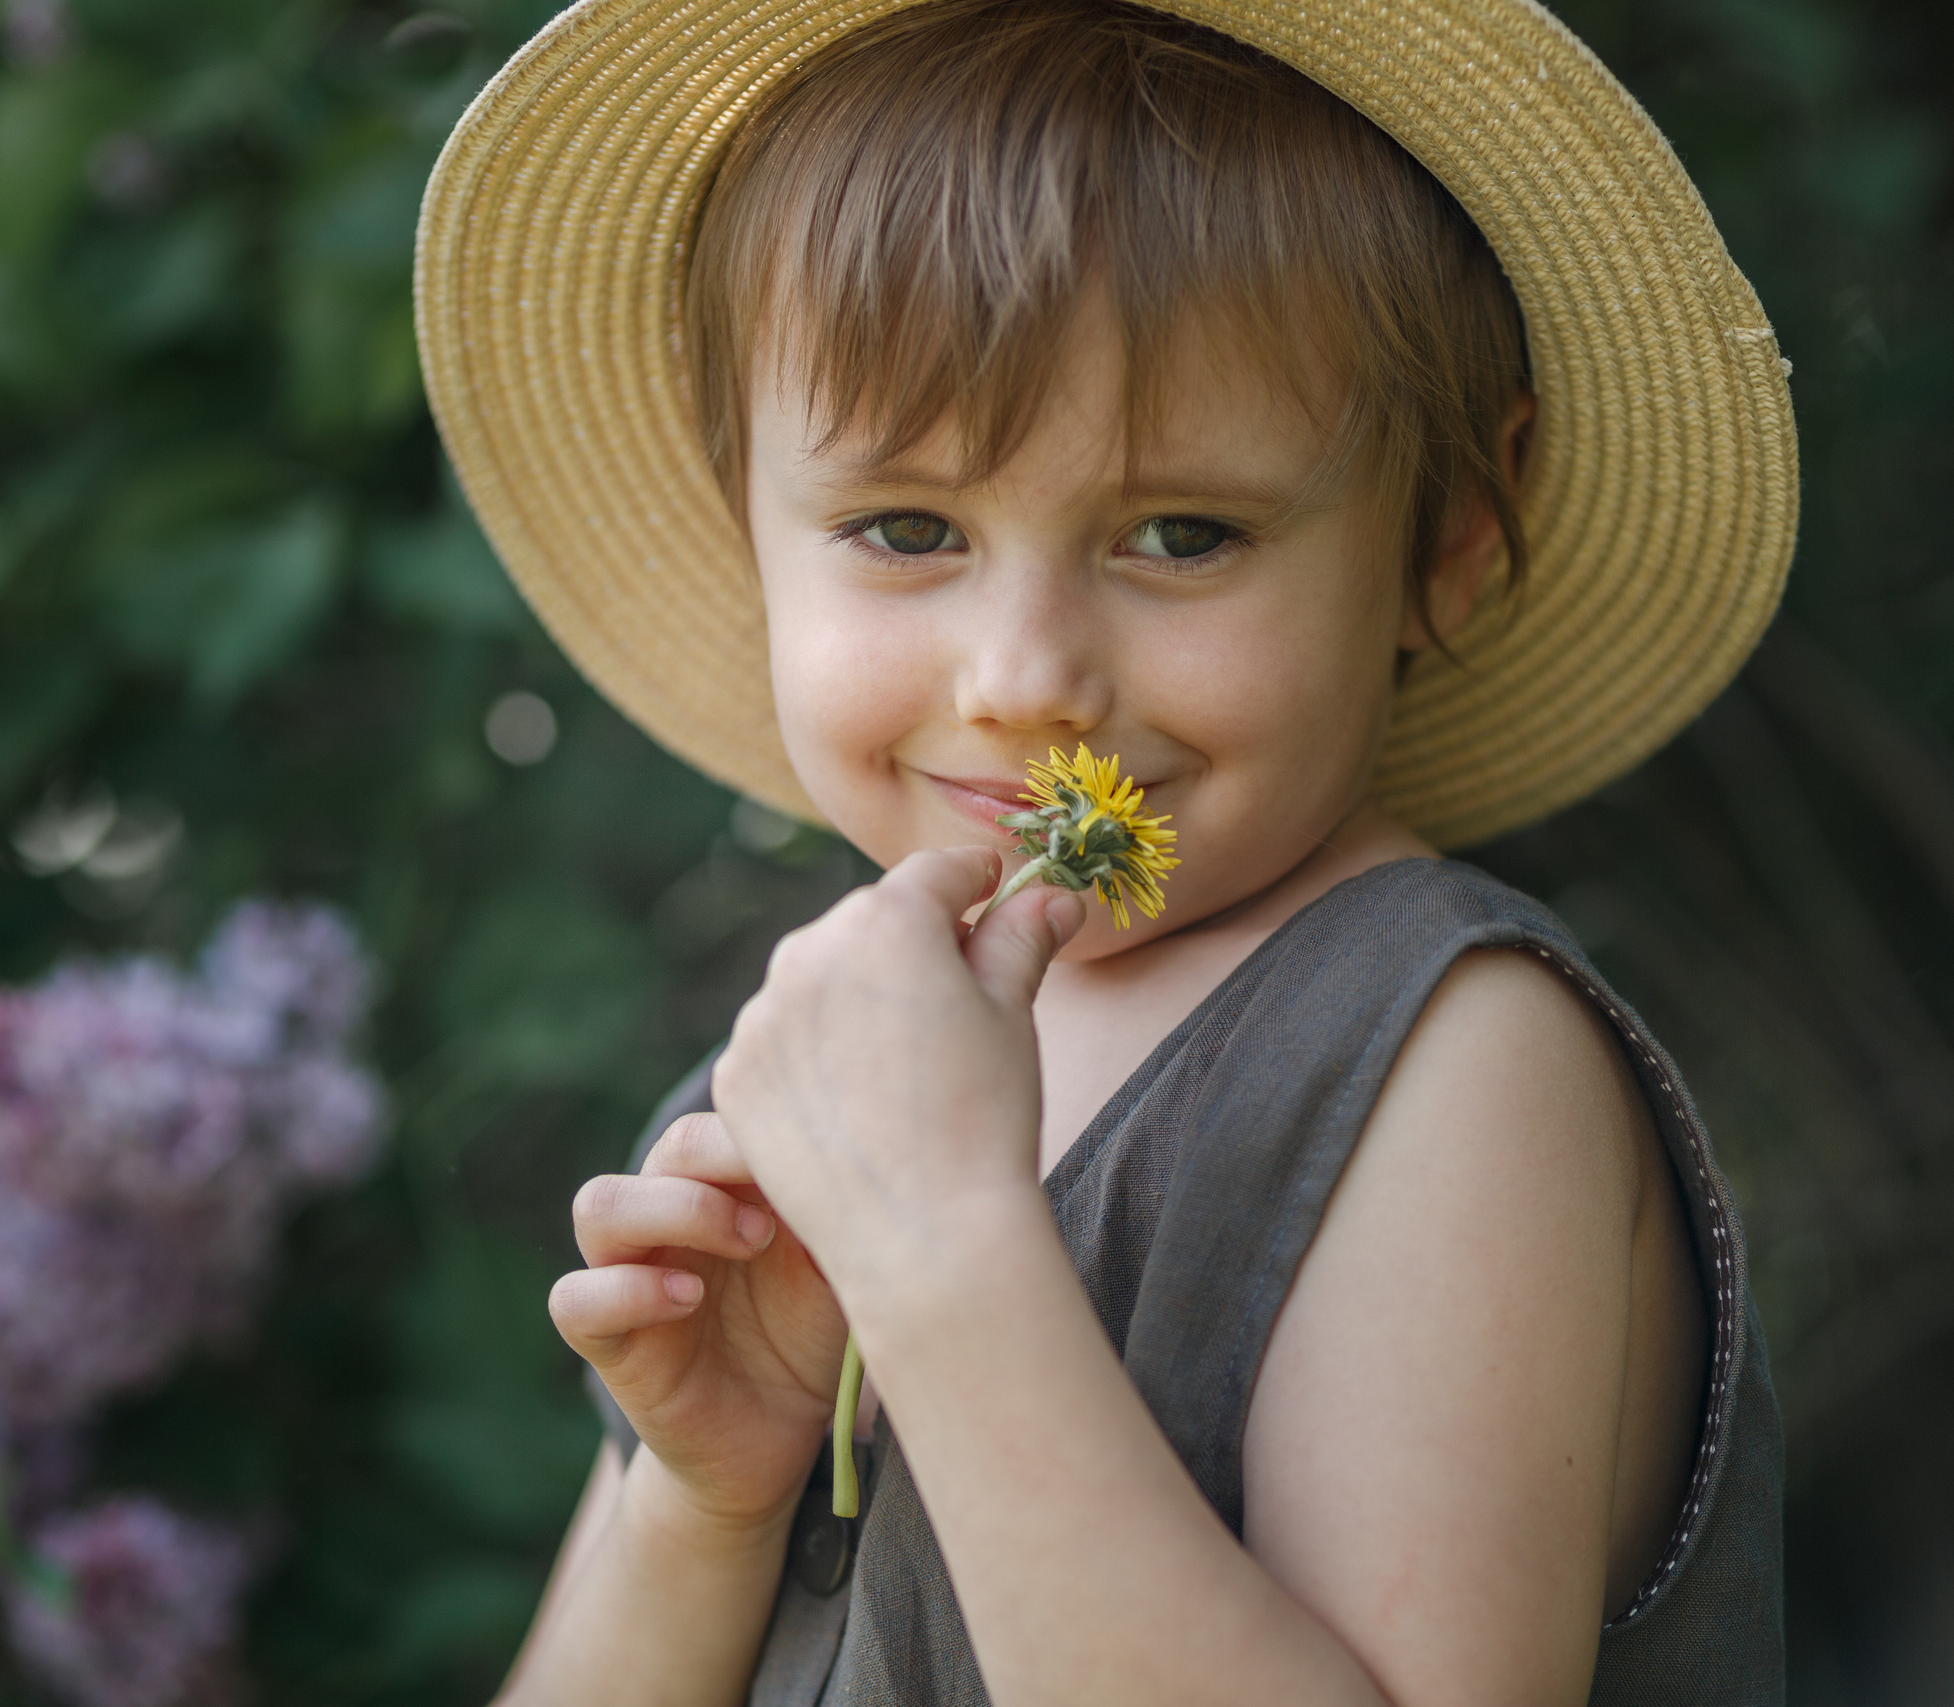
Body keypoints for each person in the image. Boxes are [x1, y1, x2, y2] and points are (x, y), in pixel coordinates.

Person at [415, 0, 1795, 1699]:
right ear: (743, 518)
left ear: (1443, 532)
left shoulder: (1447, 1060)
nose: (1024, 680)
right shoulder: (801, 1082)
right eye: (906, 526)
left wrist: (941, 1259)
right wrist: (705, 1503)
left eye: (1182, 533)